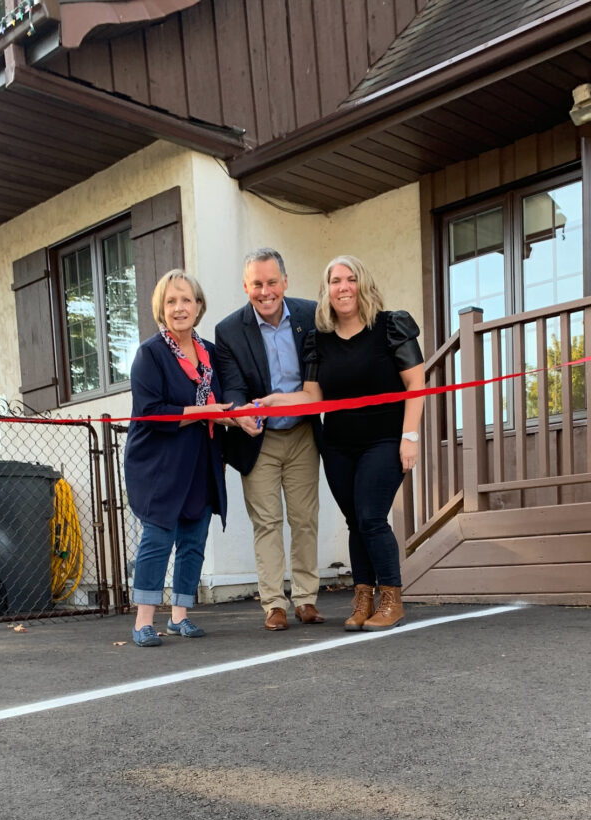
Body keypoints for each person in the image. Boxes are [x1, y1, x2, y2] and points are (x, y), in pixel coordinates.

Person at [258, 255, 424, 631]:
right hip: (339, 446)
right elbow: (313, 397)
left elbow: (417, 384)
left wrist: (409, 437)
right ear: (326, 290)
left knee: (370, 516)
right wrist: (274, 401)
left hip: (384, 440)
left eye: (350, 279)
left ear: (362, 285)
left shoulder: (389, 326)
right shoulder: (320, 340)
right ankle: (363, 598)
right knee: (354, 522)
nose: (343, 287)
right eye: (335, 281)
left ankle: (391, 599)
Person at [125, 269, 237, 648]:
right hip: (159, 463)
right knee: (158, 537)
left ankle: (180, 616)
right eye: (171, 301)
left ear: (199, 305)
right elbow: (153, 412)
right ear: (161, 308)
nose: (179, 307)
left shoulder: (210, 353)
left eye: (186, 299)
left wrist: (239, 420)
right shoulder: (150, 354)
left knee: (194, 537)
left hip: (202, 458)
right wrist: (206, 411)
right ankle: (143, 621)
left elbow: (221, 405)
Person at [214, 248, 324, 631]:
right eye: (257, 284)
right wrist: (242, 415)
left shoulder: (311, 314)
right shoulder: (228, 331)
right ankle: (274, 604)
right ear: (246, 287)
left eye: (272, 282)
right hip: (258, 438)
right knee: (267, 522)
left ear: (285, 282)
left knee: (305, 519)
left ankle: (307, 599)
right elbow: (233, 384)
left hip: (303, 433)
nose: (265, 291)